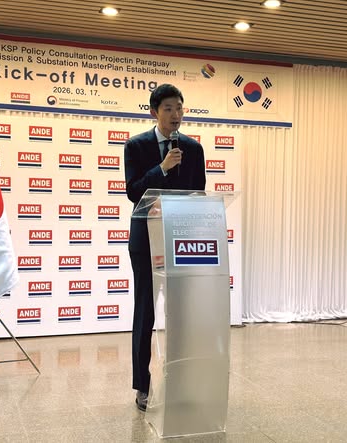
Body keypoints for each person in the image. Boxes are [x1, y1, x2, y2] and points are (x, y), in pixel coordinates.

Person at [124, 84, 206, 411]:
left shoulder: (194, 149)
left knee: (182, 314)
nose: (176, 115)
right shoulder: (136, 146)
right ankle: (142, 387)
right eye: (169, 108)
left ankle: (181, 382)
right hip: (146, 239)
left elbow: (198, 193)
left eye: (180, 108)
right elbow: (133, 192)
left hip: (180, 238)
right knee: (145, 312)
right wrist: (162, 168)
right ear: (154, 112)